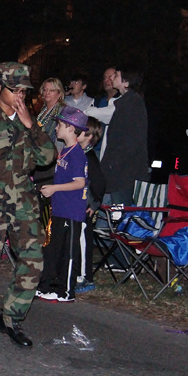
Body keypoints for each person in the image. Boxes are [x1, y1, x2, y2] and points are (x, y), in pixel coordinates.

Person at [0, 62, 56, 350]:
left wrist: (31, 125)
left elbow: (47, 157)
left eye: (24, 91)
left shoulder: (28, 121)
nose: (19, 95)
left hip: (23, 203)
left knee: (33, 260)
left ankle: (11, 318)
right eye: (14, 89)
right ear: (0, 89)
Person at [37, 107, 89, 303]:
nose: (56, 128)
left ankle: (66, 291)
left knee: (68, 253)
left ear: (69, 127)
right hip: (59, 211)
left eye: (59, 124)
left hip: (72, 213)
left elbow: (80, 182)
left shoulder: (76, 154)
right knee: (55, 249)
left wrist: (55, 189)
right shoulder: (64, 151)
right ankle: (49, 285)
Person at [99, 66, 148, 205]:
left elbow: (131, 140)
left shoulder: (132, 103)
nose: (112, 78)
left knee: (122, 213)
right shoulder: (126, 102)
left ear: (126, 82)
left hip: (124, 173)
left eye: (116, 75)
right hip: (119, 171)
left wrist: (113, 162)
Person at [75, 117, 105, 294]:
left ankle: (85, 277)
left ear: (89, 136)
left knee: (83, 241)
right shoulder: (77, 154)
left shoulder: (89, 158)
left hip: (85, 207)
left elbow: (100, 183)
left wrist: (94, 204)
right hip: (75, 206)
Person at [36, 77, 66, 150]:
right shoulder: (44, 109)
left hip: (52, 153)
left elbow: (61, 140)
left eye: (52, 90)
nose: (47, 93)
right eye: (45, 90)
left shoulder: (62, 112)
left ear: (59, 94)